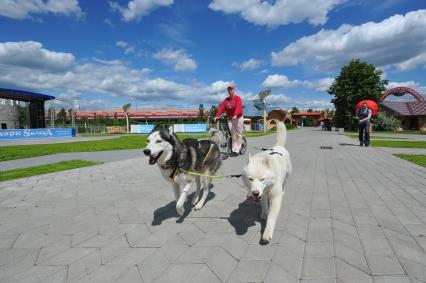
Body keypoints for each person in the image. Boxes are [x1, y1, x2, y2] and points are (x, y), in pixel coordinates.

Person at [213, 85, 244, 156]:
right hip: (230, 119)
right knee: (233, 135)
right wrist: (216, 116)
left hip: (238, 118)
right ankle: (233, 150)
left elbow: (238, 107)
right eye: (229, 90)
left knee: (238, 134)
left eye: (231, 90)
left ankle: (238, 149)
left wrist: (235, 114)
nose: (230, 91)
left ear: (234, 90)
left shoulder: (237, 98)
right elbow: (221, 108)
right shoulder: (226, 100)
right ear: (228, 91)